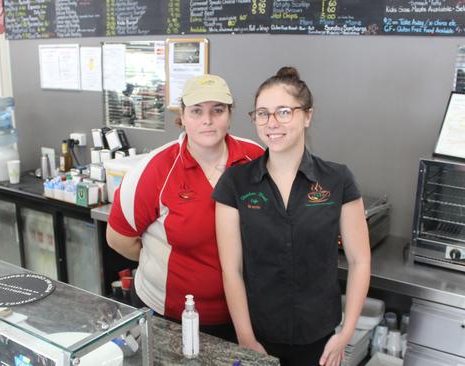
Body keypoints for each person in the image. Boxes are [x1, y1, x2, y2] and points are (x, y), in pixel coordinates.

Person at [213, 67, 371, 366]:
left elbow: (360, 260)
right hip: (258, 335)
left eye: (284, 112)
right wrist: (246, 338)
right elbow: (231, 269)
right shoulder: (236, 182)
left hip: (319, 339)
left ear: (307, 116)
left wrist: (346, 332)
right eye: (262, 113)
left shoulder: (338, 179)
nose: (272, 123)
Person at [106, 74, 264, 341]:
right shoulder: (155, 169)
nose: (208, 120)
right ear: (182, 114)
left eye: (218, 110)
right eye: (196, 111)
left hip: (240, 317)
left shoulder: (256, 159)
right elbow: (118, 239)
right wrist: (164, 263)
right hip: (168, 317)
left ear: (230, 113)